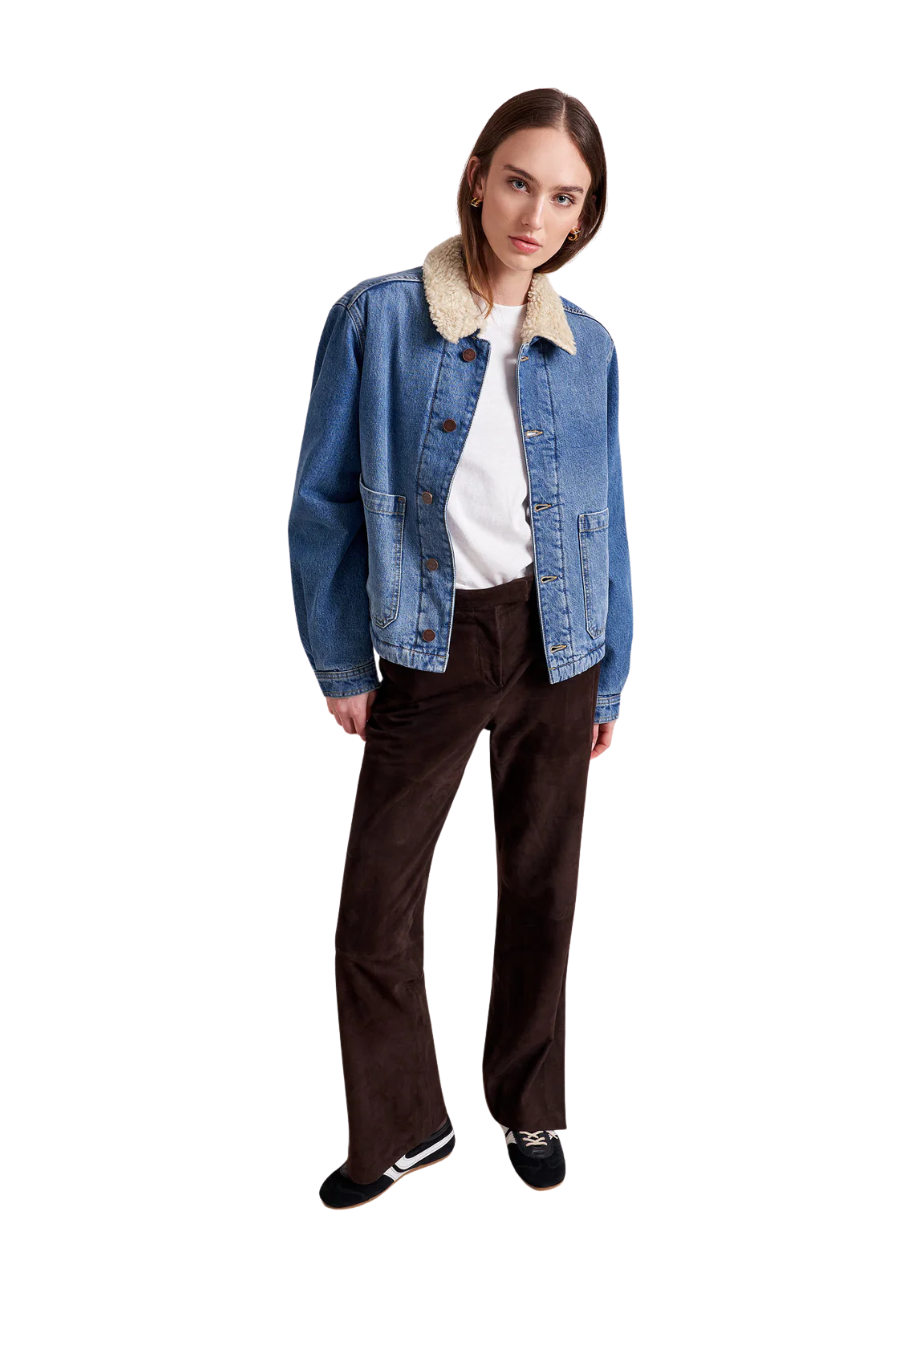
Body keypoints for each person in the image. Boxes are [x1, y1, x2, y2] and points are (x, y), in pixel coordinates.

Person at [288, 87, 634, 1209]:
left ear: (584, 215)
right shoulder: (377, 319)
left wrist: (611, 671)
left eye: (565, 197)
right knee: (373, 912)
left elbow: (607, 516)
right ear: (479, 177)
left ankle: (529, 1102)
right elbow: (323, 503)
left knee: (542, 888)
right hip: (431, 642)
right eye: (520, 182)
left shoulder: (587, 349)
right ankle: (404, 1126)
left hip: (558, 639)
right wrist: (343, 662)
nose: (537, 215)